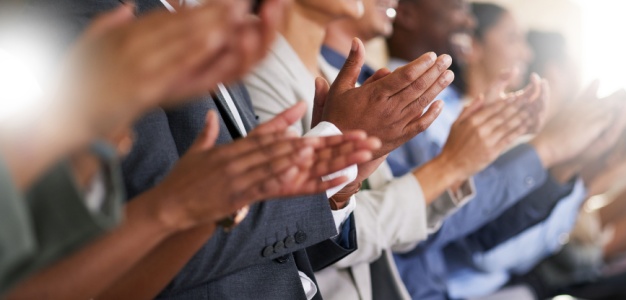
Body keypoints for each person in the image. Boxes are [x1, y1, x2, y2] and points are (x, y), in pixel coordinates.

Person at [3, 1, 382, 299]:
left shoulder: (193, 23)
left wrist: (336, 190)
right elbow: (141, 261)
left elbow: (263, 253)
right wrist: (325, 161)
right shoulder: (76, 23)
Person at [385, 1, 626, 299]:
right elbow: (475, 242)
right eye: (513, 39)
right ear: (473, 47)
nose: (527, 54)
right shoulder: (428, 108)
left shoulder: (461, 113)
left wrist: (570, 164)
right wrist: (552, 154)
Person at [316, 0, 550, 299]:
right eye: (457, 7)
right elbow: (431, 222)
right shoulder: (386, 93)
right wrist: (544, 152)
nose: (468, 22)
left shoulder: (385, 85)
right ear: (408, 14)